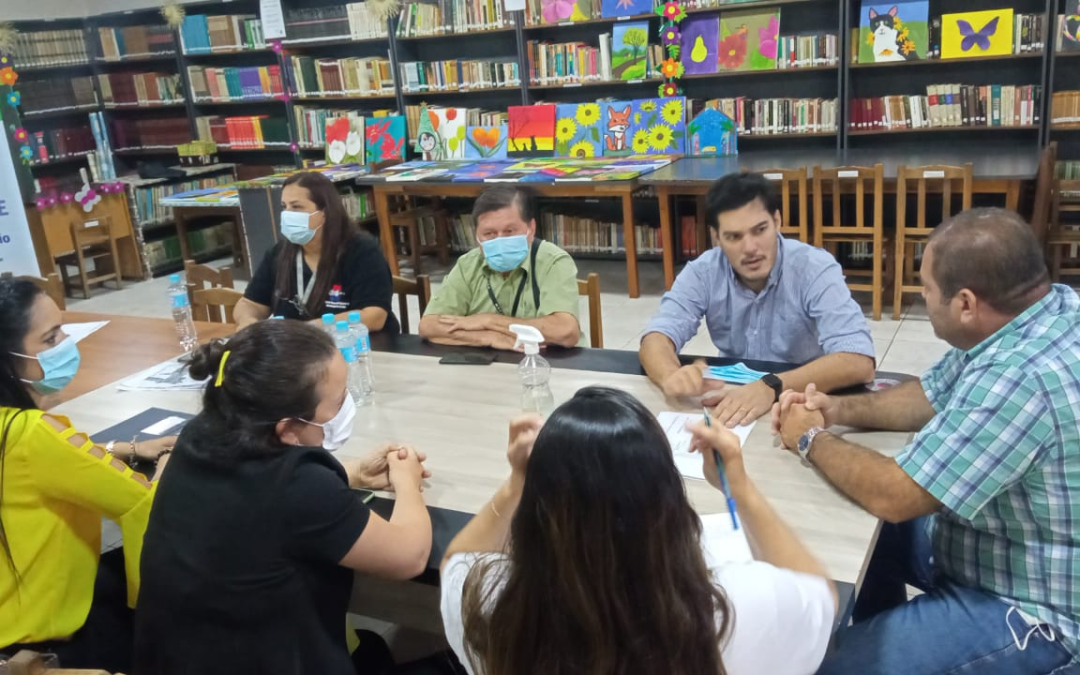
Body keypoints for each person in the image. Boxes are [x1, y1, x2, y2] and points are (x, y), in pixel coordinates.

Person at [773, 208, 1080, 674]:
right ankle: (890, 627)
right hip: (990, 538)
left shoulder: (1020, 375)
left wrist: (809, 437)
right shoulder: (1042, 311)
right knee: (860, 527)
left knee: (822, 665)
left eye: (927, 289)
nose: (922, 297)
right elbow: (930, 395)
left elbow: (895, 494)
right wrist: (837, 410)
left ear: (965, 304)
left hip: (1032, 606)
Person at [440, 387, 837, 675]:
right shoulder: (730, 611)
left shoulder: (492, 610)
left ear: (537, 515)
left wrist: (516, 482)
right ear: (667, 506)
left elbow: (456, 563)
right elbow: (819, 594)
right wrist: (741, 490)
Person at [135, 320, 432, 675]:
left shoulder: (198, 436)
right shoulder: (300, 486)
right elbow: (409, 556)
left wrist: (349, 473)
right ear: (288, 428)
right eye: (337, 402)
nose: (345, 406)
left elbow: (256, 499)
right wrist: (407, 480)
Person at [0, 278, 174, 673]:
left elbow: (45, 468)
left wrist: (122, 449)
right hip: (49, 635)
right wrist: (169, 462)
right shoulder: (33, 433)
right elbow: (142, 500)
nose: (66, 344)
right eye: (50, 338)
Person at [639, 172, 875, 428]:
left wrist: (771, 386)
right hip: (734, 396)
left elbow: (858, 360)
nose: (750, 248)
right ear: (716, 237)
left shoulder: (813, 268)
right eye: (734, 237)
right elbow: (656, 337)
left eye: (760, 230)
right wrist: (670, 376)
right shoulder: (703, 271)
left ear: (777, 221)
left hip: (800, 396)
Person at [419, 186, 582, 349]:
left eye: (509, 231)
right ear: (476, 236)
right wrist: (489, 337)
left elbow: (565, 331)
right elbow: (429, 326)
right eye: (489, 233)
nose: (500, 240)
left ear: (531, 229)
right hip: (488, 365)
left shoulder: (553, 261)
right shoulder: (467, 265)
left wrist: (489, 320)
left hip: (547, 364)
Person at [235, 171, 399, 333]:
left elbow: (374, 316)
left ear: (324, 213)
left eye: (297, 207)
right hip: (298, 348)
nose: (287, 214)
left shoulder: (362, 251)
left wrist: (310, 329)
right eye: (284, 207)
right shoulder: (279, 253)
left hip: (360, 345)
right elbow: (250, 304)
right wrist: (247, 320)